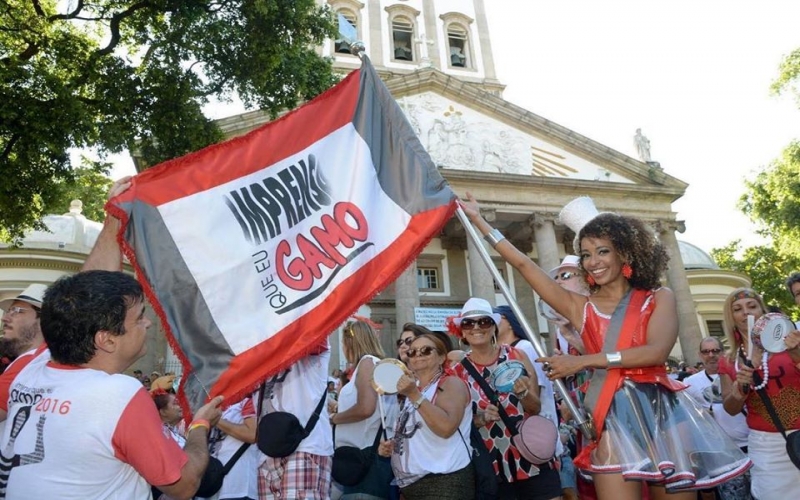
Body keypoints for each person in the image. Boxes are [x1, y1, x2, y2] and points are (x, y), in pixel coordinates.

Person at [460, 193, 751, 499]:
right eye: (585, 254)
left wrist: (584, 362)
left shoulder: (658, 297)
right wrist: (479, 220)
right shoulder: (579, 307)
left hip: (663, 414)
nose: (593, 261)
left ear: (624, 253)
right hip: (610, 416)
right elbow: (522, 264)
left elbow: (656, 352)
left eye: (602, 251)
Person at [0, 270, 223, 499]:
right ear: (106, 340)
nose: (147, 323)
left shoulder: (29, 371)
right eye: (139, 317)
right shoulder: (119, 394)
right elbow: (183, 485)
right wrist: (200, 426)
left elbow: (74, 306)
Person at [450, 297, 560, 500]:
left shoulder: (516, 355)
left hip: (530, 453)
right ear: (462, 331)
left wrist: (523, 394)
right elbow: (455, 423)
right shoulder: (457, 372)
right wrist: (480, 419)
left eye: (483, 321)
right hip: (492, 463)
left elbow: (534, 407)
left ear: (493, 327)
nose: (476, 327)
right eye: (468, 323)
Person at [719, 288, 800, 499]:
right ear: (732, 318)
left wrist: (797, 356)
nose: (746, 313)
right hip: (766, 447)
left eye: (752, 306)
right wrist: (740, 388)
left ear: (762, 311)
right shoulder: (728, 361)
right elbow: (730, 408)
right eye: (738, 309)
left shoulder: (791, 342)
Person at [378, 334, 473, 499]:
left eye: (426, 350)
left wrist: (414, 394)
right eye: (412, 352)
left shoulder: (450, 384)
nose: (418, 355)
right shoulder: (415, 391)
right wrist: (393, 445)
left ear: (442, 357)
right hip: (411, 486)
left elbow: (446, 427)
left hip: (443, 483)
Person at [257, 340, 333, 500]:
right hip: (267, 451)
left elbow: (312, 333)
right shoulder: (258, 342)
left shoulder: (307, 326)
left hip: (306, 447)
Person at [330, 320, 393, 500]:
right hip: (362, 456)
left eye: (343, 343)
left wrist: (335, 417)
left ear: (351, 343)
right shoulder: (371, 364)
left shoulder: (368, 362)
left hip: (366, 456)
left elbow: (365, 408)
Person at [684, 337, 752, 500]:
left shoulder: (741, 373)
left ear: (723, 352)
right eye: (706, 351)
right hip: (722, 452)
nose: (711, 355)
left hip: (753, 444)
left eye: (715, 350)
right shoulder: (690, 382)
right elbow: (688, 419)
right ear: (700, 355)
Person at [0, 284, 48, 431]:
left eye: (17, 311)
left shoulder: (31, 362)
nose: (5, 318)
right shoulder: (46, 356)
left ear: (44, 320)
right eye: (8, 311)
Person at [202, 395, 258, 500]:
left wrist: (216, 420)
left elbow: (252, 434)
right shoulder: (213, 410)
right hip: (211, 487)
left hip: (238, 488)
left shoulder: (246, 402)